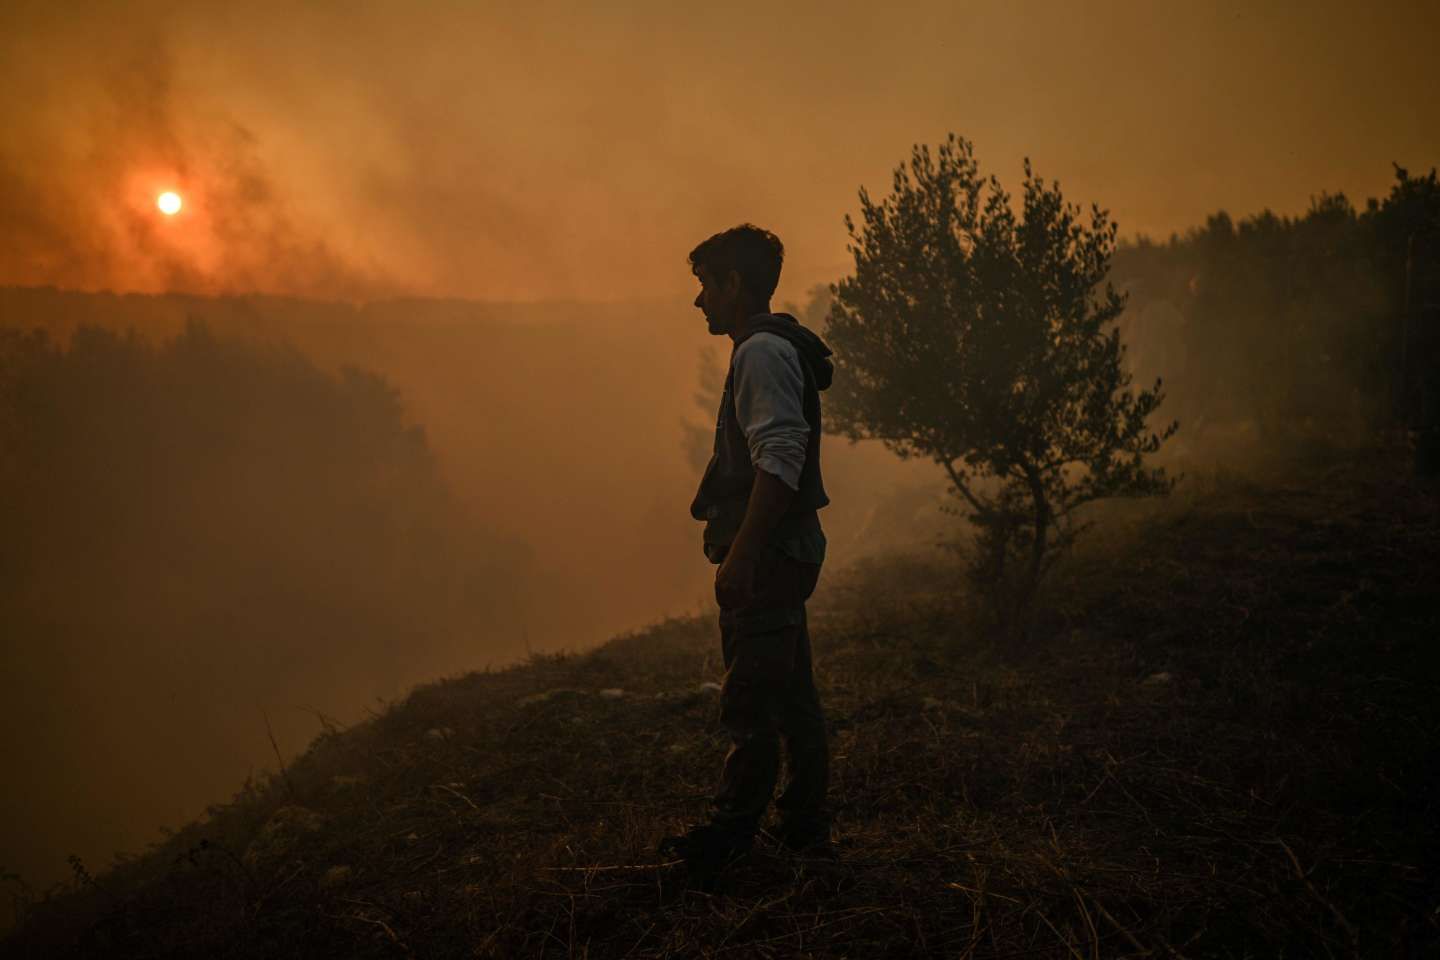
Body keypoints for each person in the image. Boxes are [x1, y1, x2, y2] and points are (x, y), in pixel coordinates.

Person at [659, 224, 835, 886]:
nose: (699, 301)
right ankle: (805, 830)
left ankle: (731, 843)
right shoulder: (767, 349)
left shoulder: (759, 355)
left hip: (769, 555)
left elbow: (780, 460)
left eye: (706, 284)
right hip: (784, 551)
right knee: (792, 695)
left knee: (753, 701)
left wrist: (743, 557)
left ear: (735, 285)